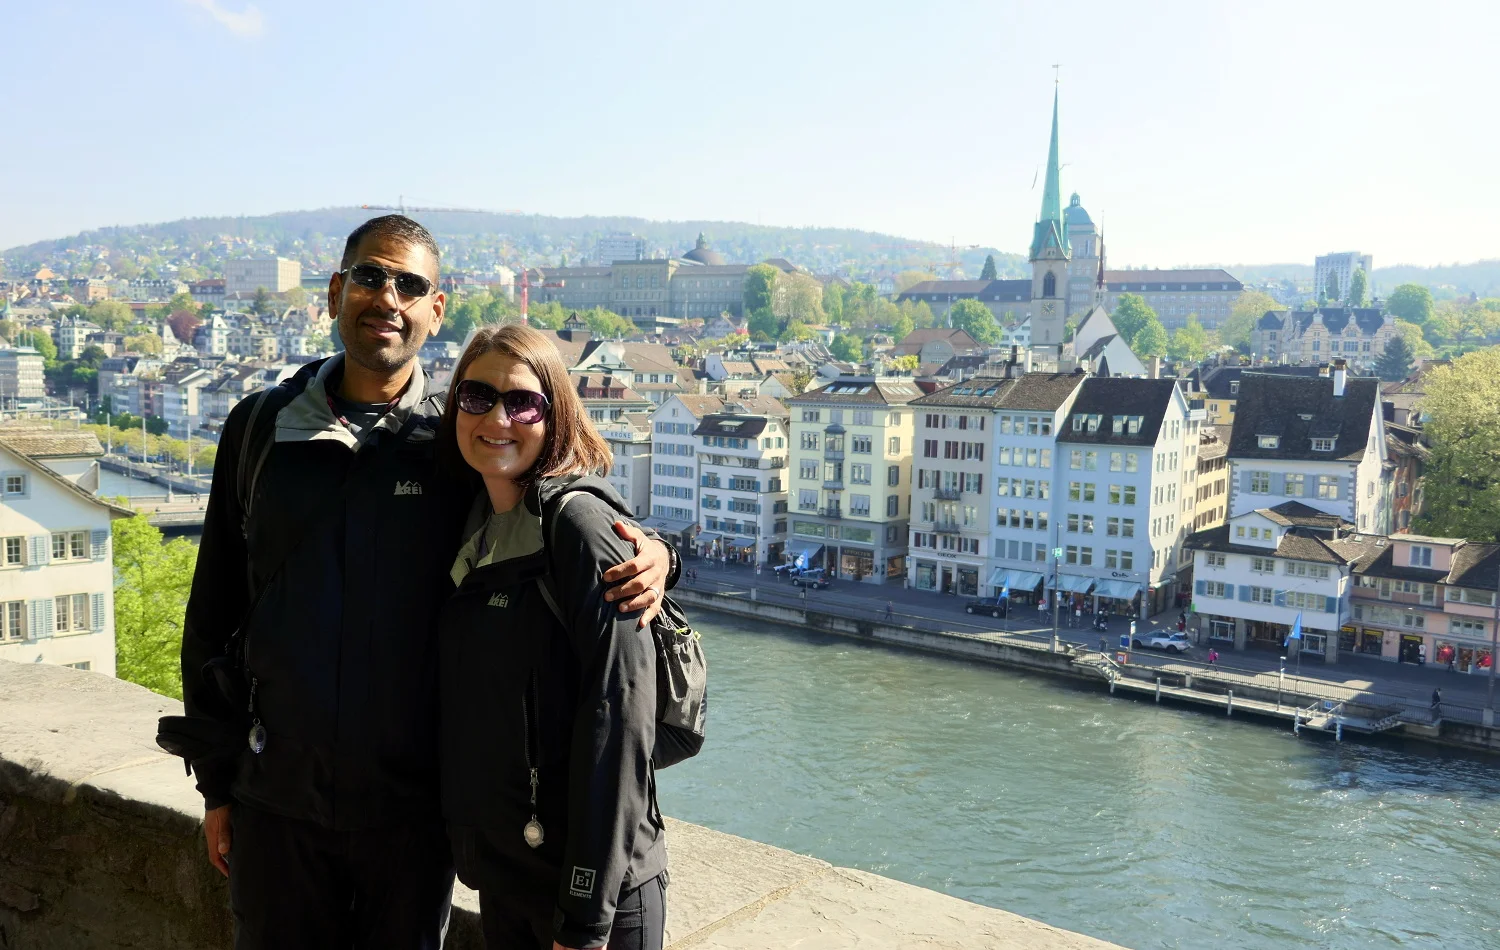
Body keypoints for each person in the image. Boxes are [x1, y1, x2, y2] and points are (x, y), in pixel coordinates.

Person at [177, 217, 676, 950]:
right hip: (275, 802)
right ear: (335, 291)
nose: (389, 297)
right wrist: (217, 786)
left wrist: (659, 552)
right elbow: (213, 610)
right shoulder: (261, 429)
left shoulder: (459, 440)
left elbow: (557, 506)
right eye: (371, 277)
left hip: (412, 820)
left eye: (411, 285)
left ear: (435, 312)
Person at [437, 324, 669, 950]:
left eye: (523, 403)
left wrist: (585, 910)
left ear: (555, 415)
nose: (498, 419)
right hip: (509, 875)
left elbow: (621, 718)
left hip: (591, 895)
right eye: (478, 397)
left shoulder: (579, 526)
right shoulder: (473, 520)